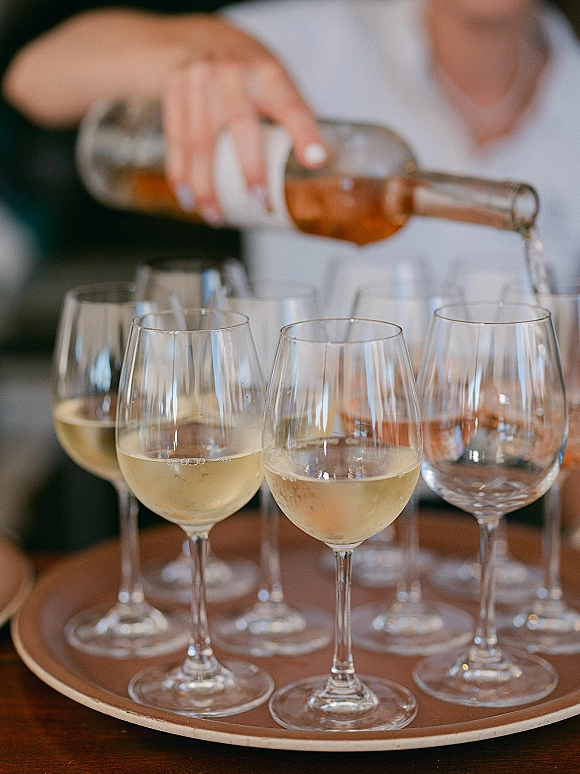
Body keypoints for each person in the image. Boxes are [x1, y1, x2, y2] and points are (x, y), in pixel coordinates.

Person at [2, 0, 580, 302]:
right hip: (302, 485)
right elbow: (32, 79)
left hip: (494, 495)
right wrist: (205, 46)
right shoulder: (321, 41)